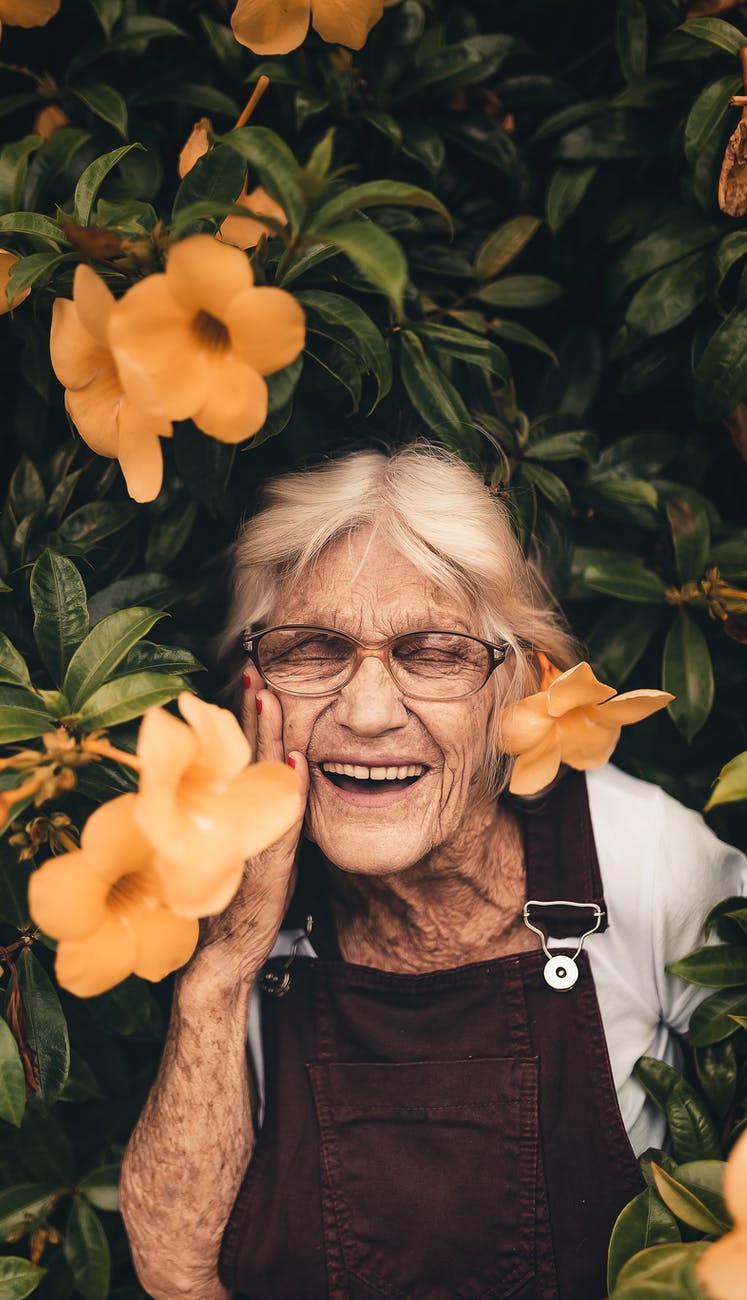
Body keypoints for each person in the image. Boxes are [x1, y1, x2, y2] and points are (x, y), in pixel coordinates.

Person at [118, 443, 747, 1300]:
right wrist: (224, 967)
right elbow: (176, 1276)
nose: (367, 712)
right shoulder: (229, 881)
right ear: (254, 690)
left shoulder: (647, 863)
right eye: (312, 648)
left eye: (434, 652)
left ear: (514, 685)